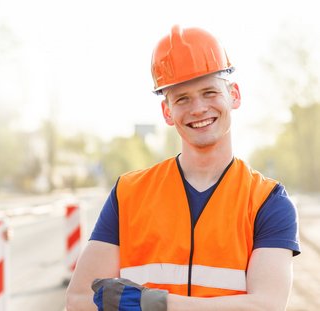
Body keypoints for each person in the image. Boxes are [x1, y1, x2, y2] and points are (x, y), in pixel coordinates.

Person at [65, 25, 300, 311]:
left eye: (209, 92)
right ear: (167, 112)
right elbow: (79, 299)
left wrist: (156, 304)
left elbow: (267, 305)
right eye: (182, 98)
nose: (198, 108)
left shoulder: (267, 201)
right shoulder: (128, 194)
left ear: (234, 95)